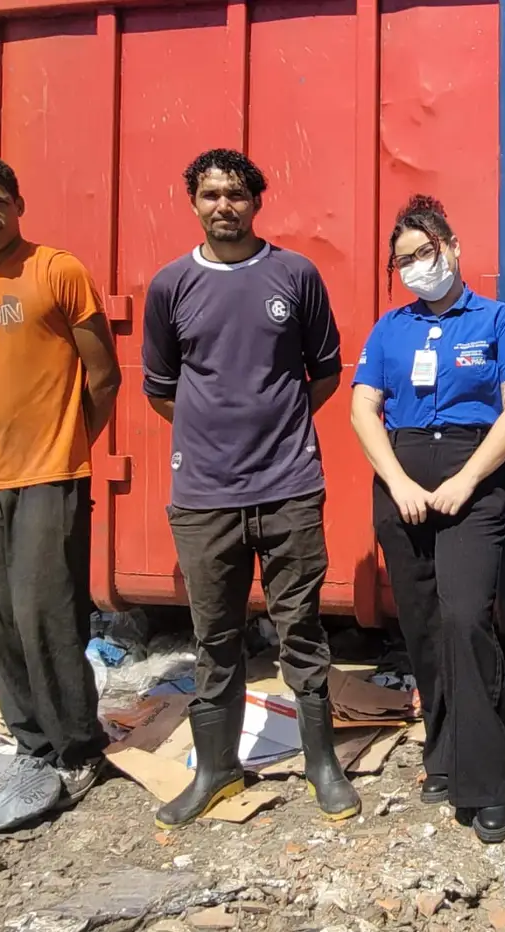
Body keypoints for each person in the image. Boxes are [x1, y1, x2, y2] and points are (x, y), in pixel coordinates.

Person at [141, 148, 360, 828]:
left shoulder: (295, 275)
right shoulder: (171, 285)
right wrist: (215, 436)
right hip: (204, 496)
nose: (223, 206)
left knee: (302, 629)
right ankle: (216, 769)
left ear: (257, 202)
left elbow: (324, 373)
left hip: (289, 485)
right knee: (215, 637)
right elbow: (161, 389)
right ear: (193, 203)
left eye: (236, 194)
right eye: (210, 194)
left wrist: (275, 428)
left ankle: (322, 764)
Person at [350, 195, 505, 843]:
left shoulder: (497, 320)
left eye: (425, 252)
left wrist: (467, 478)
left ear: (453, 248)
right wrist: (398, 481)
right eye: (404, 259)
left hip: (472, 480)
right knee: (424, 627)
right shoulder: (389, 329)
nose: (416, 266)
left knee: (464, 618)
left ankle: (488, 780)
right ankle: (442, 752)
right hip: (401, 480)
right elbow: (363, 408)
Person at [0, 153, 121, 805]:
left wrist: (70, 445)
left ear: (18, 205)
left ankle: (78, 750)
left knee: (47, 613)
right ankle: (31, 746)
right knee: (0, 618)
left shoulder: (57, 270)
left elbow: (104, 375)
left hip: (52, 470)